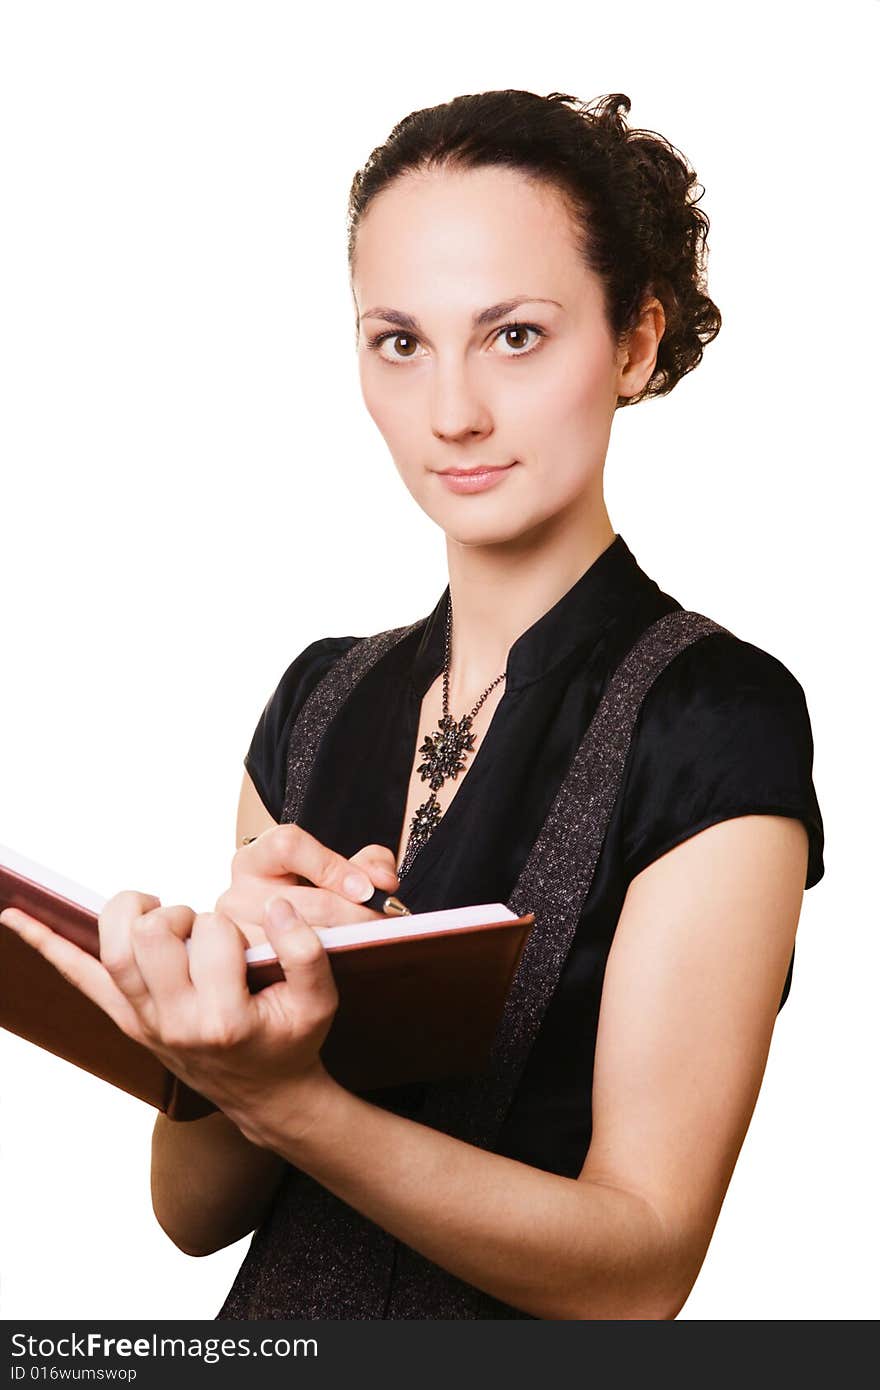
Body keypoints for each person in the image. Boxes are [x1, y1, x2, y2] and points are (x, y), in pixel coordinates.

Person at [0, 90, 825, 1320]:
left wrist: (298, 1105)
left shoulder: (718, 720)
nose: (451, 413)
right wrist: (223, 1047)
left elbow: (640, 1269)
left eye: (514, 335)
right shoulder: (317, 700)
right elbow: (190, 1214)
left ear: (637, 340)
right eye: (400, 341)